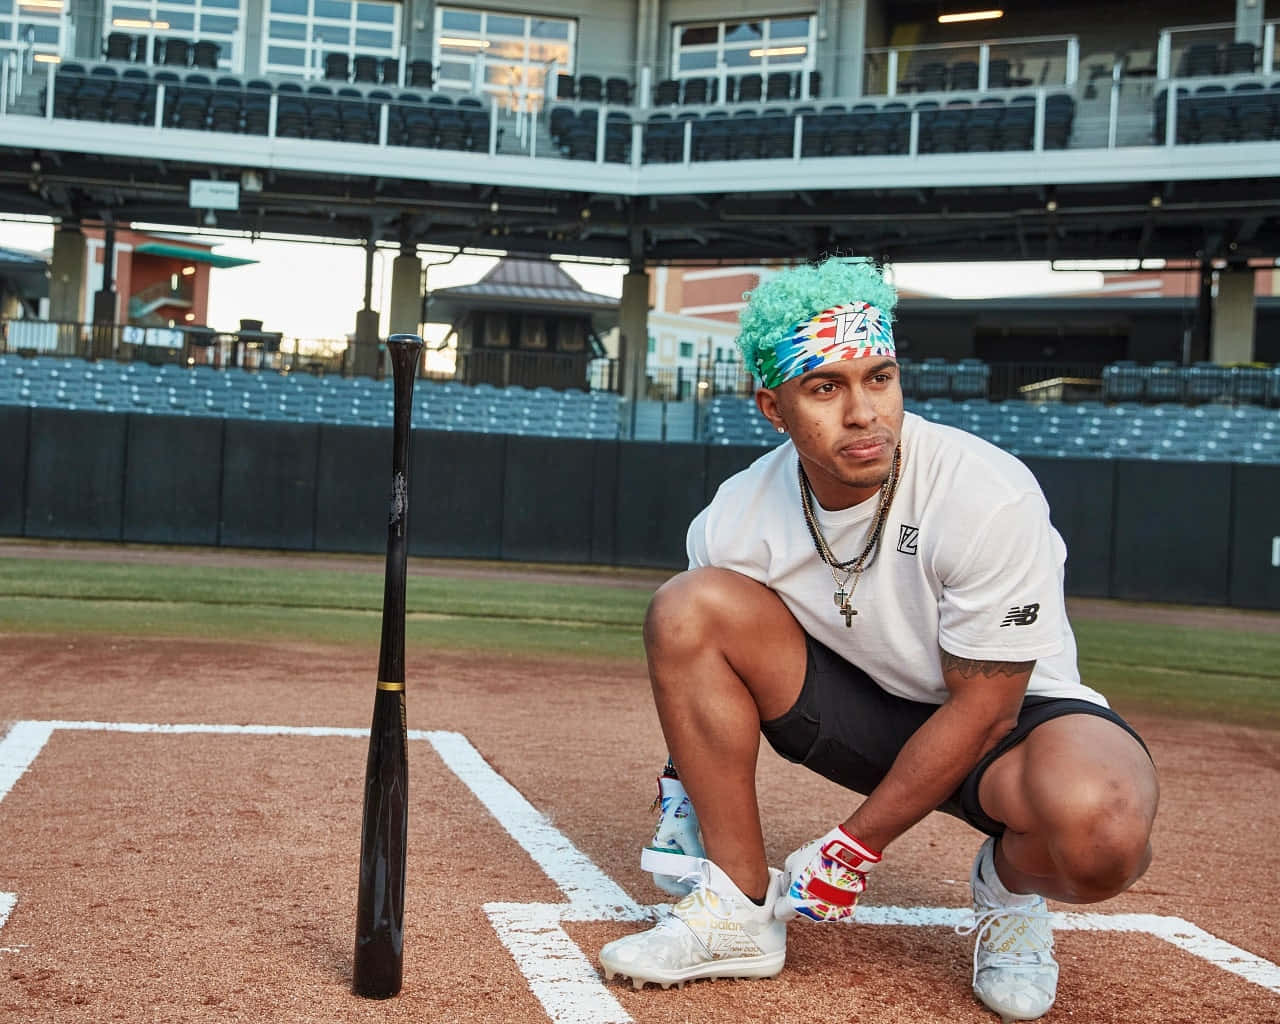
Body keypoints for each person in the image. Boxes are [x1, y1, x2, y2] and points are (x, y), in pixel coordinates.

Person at [599, 257, 1159, 1022]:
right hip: (852, 712)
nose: (864, 412)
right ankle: (735, 906)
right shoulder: (736, 514)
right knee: (686, 605)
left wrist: (852, 847)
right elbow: (696, 661)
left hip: (1006, 722)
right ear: (773, 407)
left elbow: (987, 711)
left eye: (879, 377)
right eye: (825, 387)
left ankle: (1009, 889)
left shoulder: (984, 492)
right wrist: (680, 787)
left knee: (1107, 833)